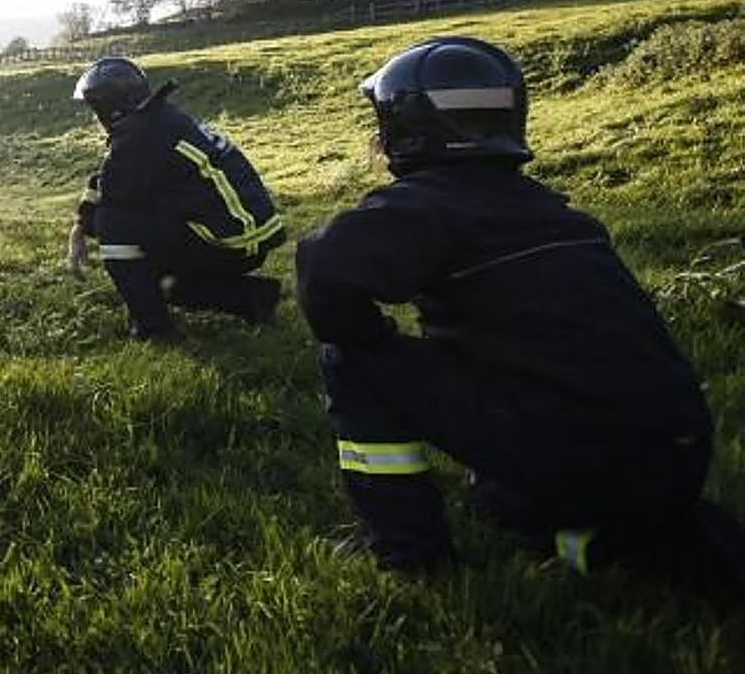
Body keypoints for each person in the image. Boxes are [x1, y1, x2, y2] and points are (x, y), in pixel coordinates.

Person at [295, 36, 725, 575]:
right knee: (500, 501)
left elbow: (323, 268)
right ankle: (622, 541)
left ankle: (410, 557)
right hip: (676, 455)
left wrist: (364, 335)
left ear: (408, 127)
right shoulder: (554, 211)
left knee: (353, 362)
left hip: (582, 456)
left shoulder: (430, 202)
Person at [68, 57, 286, 340]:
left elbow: (114, 201)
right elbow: (109, 178)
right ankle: (252, 298)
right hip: (245, 234)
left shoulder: (138, 136)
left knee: (113, 225)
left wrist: (82, 228)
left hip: (226, 239)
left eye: (94, 109)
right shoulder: (159, 120)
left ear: (107, 108)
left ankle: (153, 329)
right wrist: (81, 221)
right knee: (163, 280)